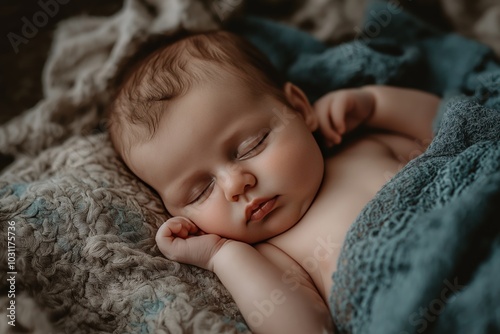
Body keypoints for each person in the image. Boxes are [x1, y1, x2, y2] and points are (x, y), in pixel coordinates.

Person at [108, 30, 440, 333]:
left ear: (298, 107)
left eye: (251, 145)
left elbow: (455, 129)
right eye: (200, 192)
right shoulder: (273, 255)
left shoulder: (361, 145)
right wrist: (221, 256)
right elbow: (302, 328)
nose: (235, 185)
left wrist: (375, 104)